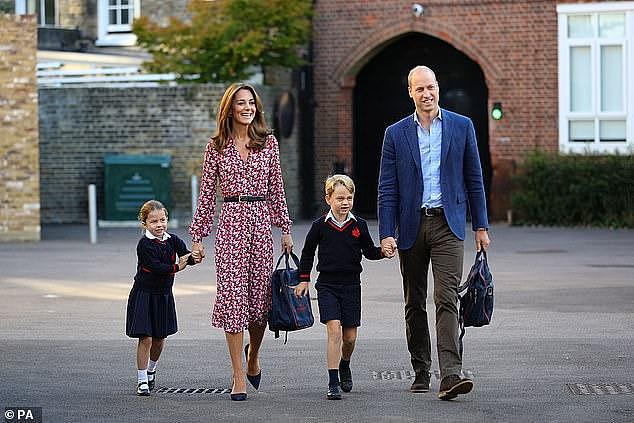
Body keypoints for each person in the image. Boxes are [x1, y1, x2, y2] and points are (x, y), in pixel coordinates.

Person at [377, 65, 491, 400]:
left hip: (448, 224)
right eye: (419, 89)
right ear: (410, 93)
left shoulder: (461, 126)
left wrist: (481, 226)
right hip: (411, 226)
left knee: (446, 298)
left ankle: (451, 374)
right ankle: (421, 368)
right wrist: (386, 232)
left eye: (431, 88)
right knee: (414, 302)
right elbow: (387, 188)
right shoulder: (395, 134)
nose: (426, 94)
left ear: (438, 88)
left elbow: (474, 179)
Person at [189, 83, 293, 401]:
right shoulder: (216, 146)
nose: (247, 107)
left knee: (260, 306)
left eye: (251, 102)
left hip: (261, 224)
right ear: (229, 109)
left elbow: (276, 187)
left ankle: (253, 357)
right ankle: (237, 375)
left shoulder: (268, 143)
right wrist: (198, 237)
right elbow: (207, 194)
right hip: (231, 223)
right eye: (240, 103)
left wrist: (285, 229)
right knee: (233, 302)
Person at [296, 174, 387, 400]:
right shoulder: (320, 226)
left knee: (350, 338)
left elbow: (368, 251)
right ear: (328, 199)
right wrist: (304, 278)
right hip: (327, 285)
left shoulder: (359, 226)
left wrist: (382, 252)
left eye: (348, 198)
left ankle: (345, 363)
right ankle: (333, 380)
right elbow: (307, 252)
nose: (344, 203)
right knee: (334, 330)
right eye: (339, 198)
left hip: (351, 286)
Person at [126, 200, 195, 396]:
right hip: (144, 294)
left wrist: (194, 257)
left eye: (162, 220)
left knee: (160, 338)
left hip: (163, 295)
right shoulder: (144, 245)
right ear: (145, 224)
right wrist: (177, 267)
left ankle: (151, 371)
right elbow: (156, 268)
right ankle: (141, 381)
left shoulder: (172, 240)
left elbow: (186, 255)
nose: (159, 225)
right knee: (145, 337)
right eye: (154, 221)